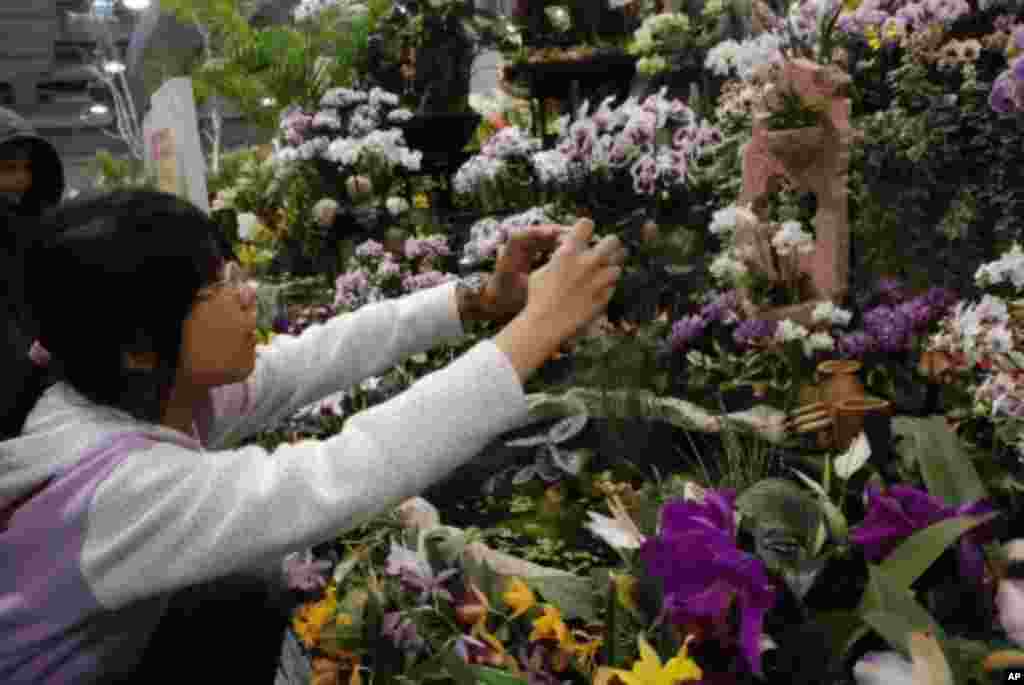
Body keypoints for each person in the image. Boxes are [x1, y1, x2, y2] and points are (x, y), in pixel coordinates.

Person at [0, 190, 625, 683]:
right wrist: (535, 330)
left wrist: (479, 301)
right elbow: (344, 470)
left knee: (241, 588)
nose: (247, 296)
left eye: (230, 269)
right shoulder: (118, 490)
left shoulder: (137, 392)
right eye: (215, 285)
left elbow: (315, 357)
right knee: (245, 585)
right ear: (138, 346)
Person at [0, 107, 66, 438]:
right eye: (8, 168)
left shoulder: (42, 236)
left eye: (26, 168)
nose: (21, 181)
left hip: (48, 416)